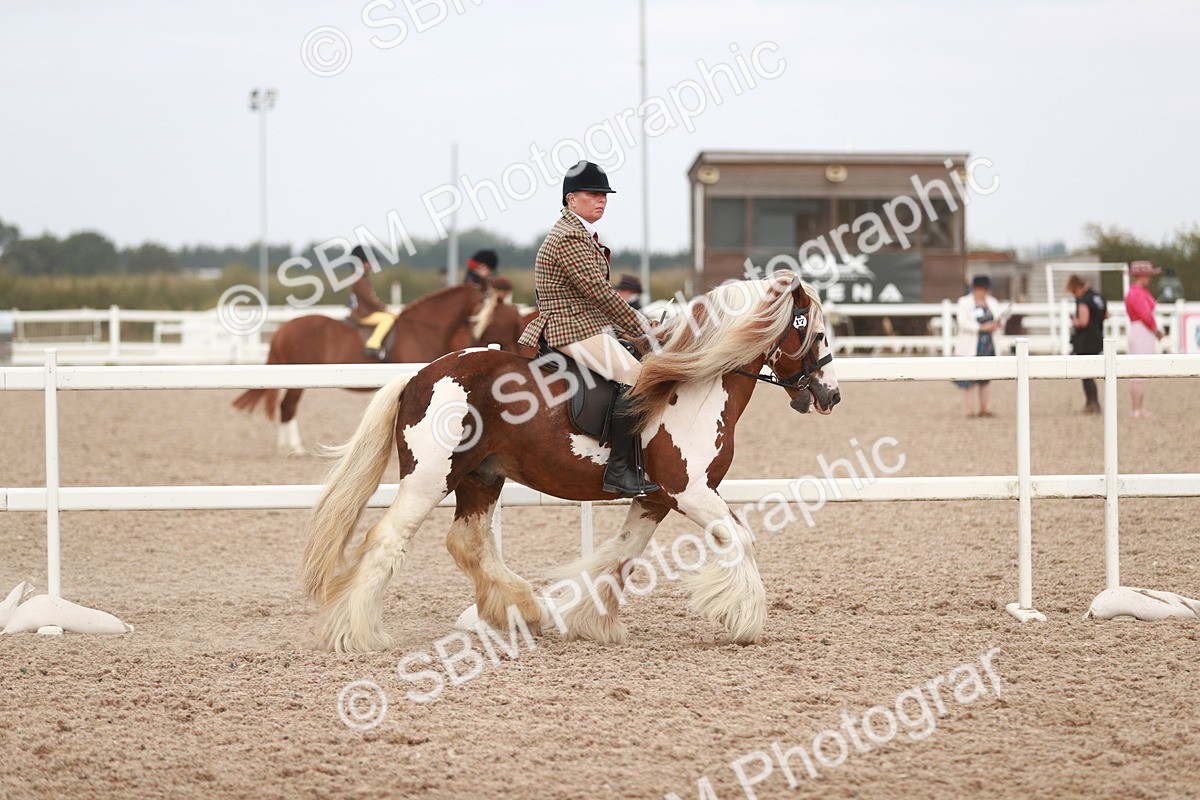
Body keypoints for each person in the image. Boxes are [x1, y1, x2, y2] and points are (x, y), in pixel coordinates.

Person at [518, 160, 658, 497]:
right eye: (593, 193)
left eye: (604, 195)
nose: (602, 199)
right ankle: (620, 471)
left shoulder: (581, 234)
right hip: (570, 329)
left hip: (585, 325)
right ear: (570, 199)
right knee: (638, 379)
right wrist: (641, 327)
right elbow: (599, 292)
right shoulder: (569, 237)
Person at [954, 275, 1005, 418]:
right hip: (971, 345)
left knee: (986, 378)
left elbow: (1001, 318)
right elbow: (962, 322)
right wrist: (981, 327)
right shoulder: (964, 302)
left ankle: (984, 408)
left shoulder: (992, 302)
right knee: (969, 379)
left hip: (988, 345)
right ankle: (970, 410)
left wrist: (998, 324)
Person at [1125, 260, 1166, 418]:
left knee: (1141, 372)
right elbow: (1145, 315)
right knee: (1139, 372)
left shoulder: (1138, 292)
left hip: (1142, 331)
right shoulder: (1136, 293)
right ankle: (1137, 409)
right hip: (1141, 331)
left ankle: (1138, 407)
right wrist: (1156, 330)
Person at [1066, 274, 1108, 414]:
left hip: (1086, 340)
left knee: (1086, 373)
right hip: (1098, 337)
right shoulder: (1098, 297)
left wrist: (1074, 322)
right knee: (1090, 372)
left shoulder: (1084, 300)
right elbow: (1106, 315)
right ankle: (1092, 403)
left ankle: (1092, 403)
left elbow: (1083, 321)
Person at [347, 245, 395, 361]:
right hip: (364, 314)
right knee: (387, 319)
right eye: (369, 262)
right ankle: (373, 344)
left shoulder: (360, 278)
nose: (371, 266)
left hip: (363, 311)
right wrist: (385, 309)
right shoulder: (360, 280)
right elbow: (370, 300)